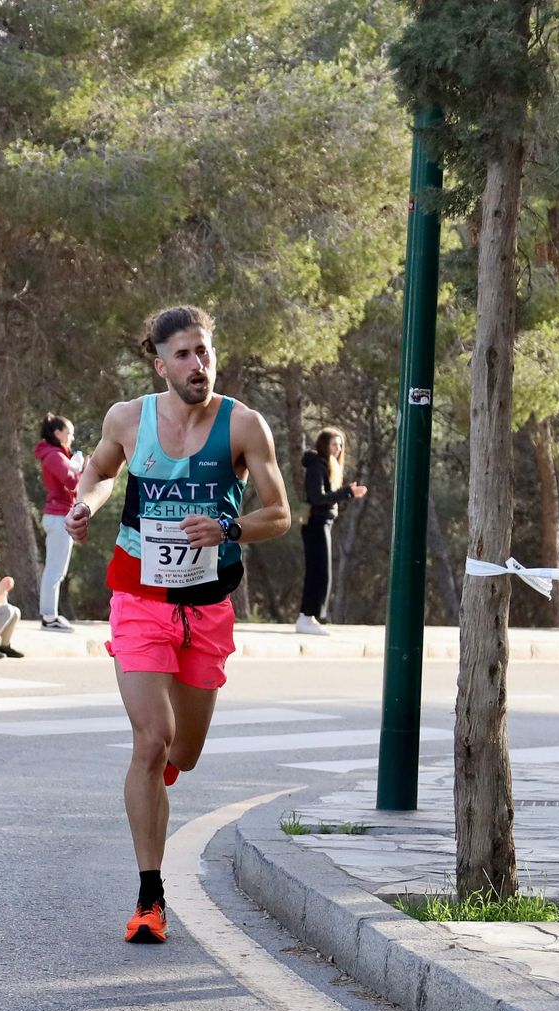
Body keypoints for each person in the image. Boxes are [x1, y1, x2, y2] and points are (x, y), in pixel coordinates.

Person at [64, 304, 291, 945]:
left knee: (183, 753)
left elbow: (278, 514)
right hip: (139, 597)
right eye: (185, 354)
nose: (200, 365)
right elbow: (101, 473)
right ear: (159, 363)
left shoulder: (244, 425)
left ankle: (164, 769)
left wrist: (228, 527)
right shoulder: (128, 419)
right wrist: (84, 505)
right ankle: (149, 897)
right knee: (150, 739)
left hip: (208, 605)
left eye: (206, 351)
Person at [295, 427, 367, 636]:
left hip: (322, 523)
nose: (338, 449)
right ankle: (307, 617)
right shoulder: (317, 466)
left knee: (321, 571)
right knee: (319, 572)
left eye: (340, 445)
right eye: (334, 444)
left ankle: (310, 617)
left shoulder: (326, 466)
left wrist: (346, 492)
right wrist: (347, 492)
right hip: (315, 523)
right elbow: (318, 497)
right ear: (324, 445)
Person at [34, 413, 84, 633]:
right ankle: (48, 616)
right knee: (55, 569)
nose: (71, 437)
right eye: (69, 432)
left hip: (57, 514)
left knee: (56, 569)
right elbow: (71, 481)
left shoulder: (56, 454)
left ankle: (50, 614)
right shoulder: (54, 456)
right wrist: (82, 469)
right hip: (58, 515)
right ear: (57, 433)